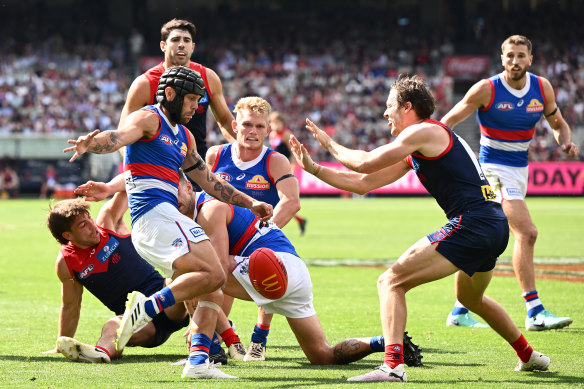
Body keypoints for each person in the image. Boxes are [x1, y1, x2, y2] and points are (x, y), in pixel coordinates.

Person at [289, 75, 550, 382]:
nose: (386, 113)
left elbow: (365, 164)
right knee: (470, 300)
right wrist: (315, 169)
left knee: (390, 282)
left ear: (407, 107)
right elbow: (363, 183)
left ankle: (393, 366)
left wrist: (327, 142)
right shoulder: (422, 142)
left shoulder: (424, 131)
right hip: (493, 225)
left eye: (390, 106)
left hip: (474, 223)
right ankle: (528, 355)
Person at [65, 66, 272, 380]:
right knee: (214, 273)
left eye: (198, 101)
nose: (194, 107)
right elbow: (119, 137)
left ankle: (200, 360)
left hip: (167, 219)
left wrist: (250, 202)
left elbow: (210, 181)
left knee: (210, 283)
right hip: (154, 217)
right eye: (191, 100)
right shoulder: (149, 118)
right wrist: (91, 144)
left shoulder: (185, 136)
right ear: (171, 94)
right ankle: (147, 311)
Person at [176, 171, 423, 367]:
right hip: (296, 272)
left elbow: (216, 275)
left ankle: (209, 351)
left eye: (172, 191)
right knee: (322, 356)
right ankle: (386, 342)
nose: (169, 200)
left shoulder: (209, 208)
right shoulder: (200, 211)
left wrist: (219, 332)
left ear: (189, 187)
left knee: (196, 272)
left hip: (274, 266)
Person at [441, 35, 578, 330]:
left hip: (519, 171)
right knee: (526, 233)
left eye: (520, 55)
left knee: (487, 240)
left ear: (530, 59)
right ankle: (534, 312)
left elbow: (558, 124)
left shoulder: (542, 88)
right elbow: (447, 122)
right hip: (491, 170)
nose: (515, 61)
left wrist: (565, 142)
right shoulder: (487, 89)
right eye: (509, 56)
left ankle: (459, 310)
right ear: (501, 58)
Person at [206, 97, 302, 361]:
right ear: (235, 125)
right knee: (214, 287)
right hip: (223, 236)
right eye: (247, 124)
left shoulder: (275, 160)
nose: (253, 131)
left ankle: (259, 339)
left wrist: (264, 231)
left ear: (268, 130)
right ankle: (219, 342)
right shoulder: (215, 156)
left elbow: (291, 202)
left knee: (268, 273)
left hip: (260, 235)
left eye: (260, 126)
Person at [43, 192, 190, 363]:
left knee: (185, 272)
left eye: (89, 218)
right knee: (112, 327)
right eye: (83, 225)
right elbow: (70, 306)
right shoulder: (67, 262)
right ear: (67, 235)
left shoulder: (108, 222)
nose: (92, 225)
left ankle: (209, 334)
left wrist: (107, 188)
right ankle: (102, 353)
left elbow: (130, 184)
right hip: (138, 322)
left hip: (168, 299)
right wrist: (61, 344)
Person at [119, 18, 235, 160]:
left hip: (198, 167)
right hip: (158, 170)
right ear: (163, 46)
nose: (181, 44)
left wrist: (246, 154)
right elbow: (122, 135)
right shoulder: (144, 84)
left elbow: (224, 121)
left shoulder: (208, 78)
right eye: (175, 40)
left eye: (186, 40)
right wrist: (139, 171)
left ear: (192, 47)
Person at [268, 111, 308, 235]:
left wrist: (293, 168)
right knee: (279, 201)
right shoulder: (272, 135)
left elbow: (293, 153)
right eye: (273, 123)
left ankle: (272, 227)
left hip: (285, 170)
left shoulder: (286, 134)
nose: (275, 125)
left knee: (284, 200)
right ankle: (300, 220)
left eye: (277, 122)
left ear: (282, 123)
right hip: (275, 170)